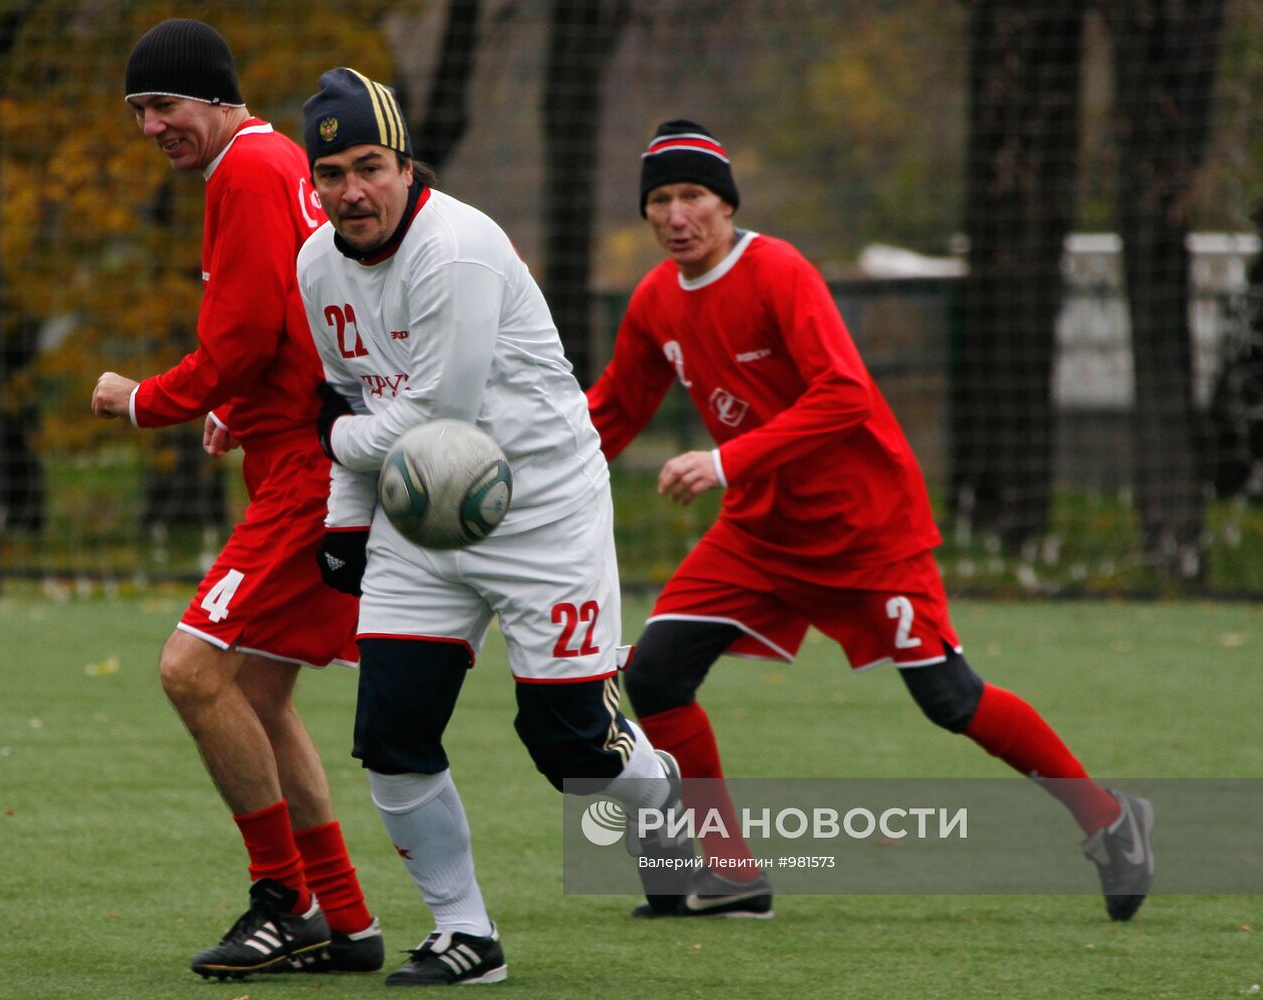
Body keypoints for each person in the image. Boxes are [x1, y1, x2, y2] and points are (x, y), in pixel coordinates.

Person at [585, 119, 1155, 922]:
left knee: (948, 700)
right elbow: (611, 410)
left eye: (694, 196)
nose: (677, 215)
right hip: (757, 535)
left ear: (724, 202)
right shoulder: (652, 301)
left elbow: (844, 393)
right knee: (654, 676)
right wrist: (522, 471)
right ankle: (731, 872)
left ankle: (1109, 818)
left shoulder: (777, 271)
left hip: (864, 531)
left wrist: (727, 461)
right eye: (661, 200)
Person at [297, 68, 690, 987]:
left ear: (405, 164)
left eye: (371, 165)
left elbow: (439, 420)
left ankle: (658, 793)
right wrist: (347, 521)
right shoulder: (317, 264)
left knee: (569, 749)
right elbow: (355, 395)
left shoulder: (459, 248)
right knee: (389, 732)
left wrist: (334, 442)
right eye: (331, 174)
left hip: (540, 513)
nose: (352, 190)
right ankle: (463, 934)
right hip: (418, 518)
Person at [90, 19, 381, 980]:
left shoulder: (247, 171)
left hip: (309, 475)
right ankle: (344, 918)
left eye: (165, 105)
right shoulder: (274, 163)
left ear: (217, 97)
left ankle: (282, 897)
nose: (151, 126)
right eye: (139, 111)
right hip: (300, 449)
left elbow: (247, 332)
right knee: (257, 689)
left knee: (189, 670)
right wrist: (246, 408)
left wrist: (147, 403)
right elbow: (294, 318)